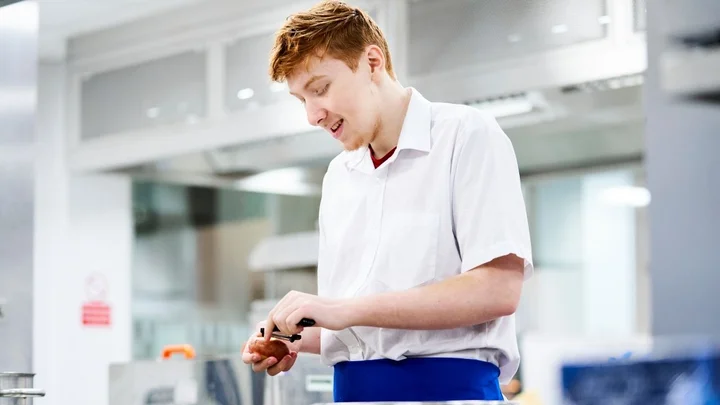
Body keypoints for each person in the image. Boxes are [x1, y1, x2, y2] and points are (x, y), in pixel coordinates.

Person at [242, 0, 533, 402]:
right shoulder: (339, 177)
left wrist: (349, 309)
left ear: (372, 63)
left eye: (320, 89)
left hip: (448, 392)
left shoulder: (465, 135)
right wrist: (285, 335)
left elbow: (498, 290)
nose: (312, 115)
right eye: (301, 100)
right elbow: (355, 328)